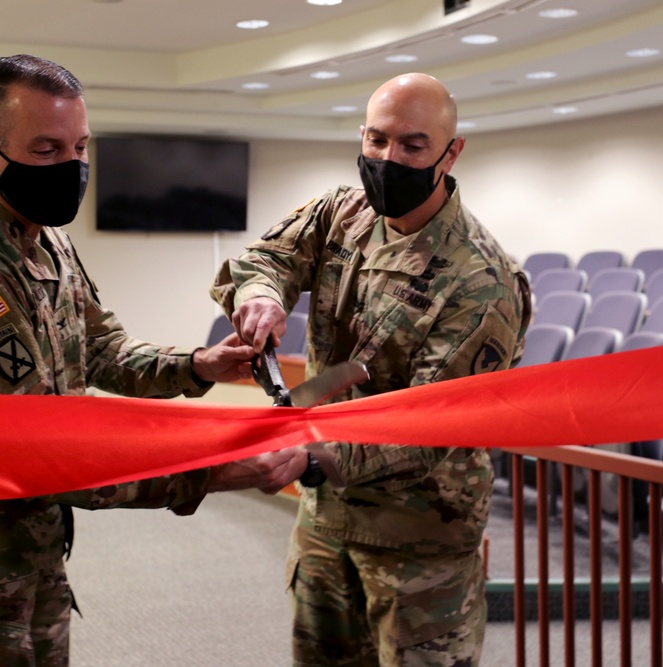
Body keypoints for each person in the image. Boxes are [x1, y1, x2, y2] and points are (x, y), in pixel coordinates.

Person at [0, 54, 304, 667]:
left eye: (80, 148)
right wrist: (210, 470)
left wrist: (199, 364)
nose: (71, 168)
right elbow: (48, 450)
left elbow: (102, 348)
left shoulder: (45, 236)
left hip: (29, 545)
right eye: (46, 150)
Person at [211, 73, 532, 666]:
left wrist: (314, 457)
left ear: (451, 151)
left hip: (419, 544)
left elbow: (429, 430)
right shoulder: (343, 211)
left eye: (413, 145)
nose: (390, 159)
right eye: (377, 140)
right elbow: (266, 258)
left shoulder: (482, 281)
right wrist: (262, 295)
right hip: (327, 523)